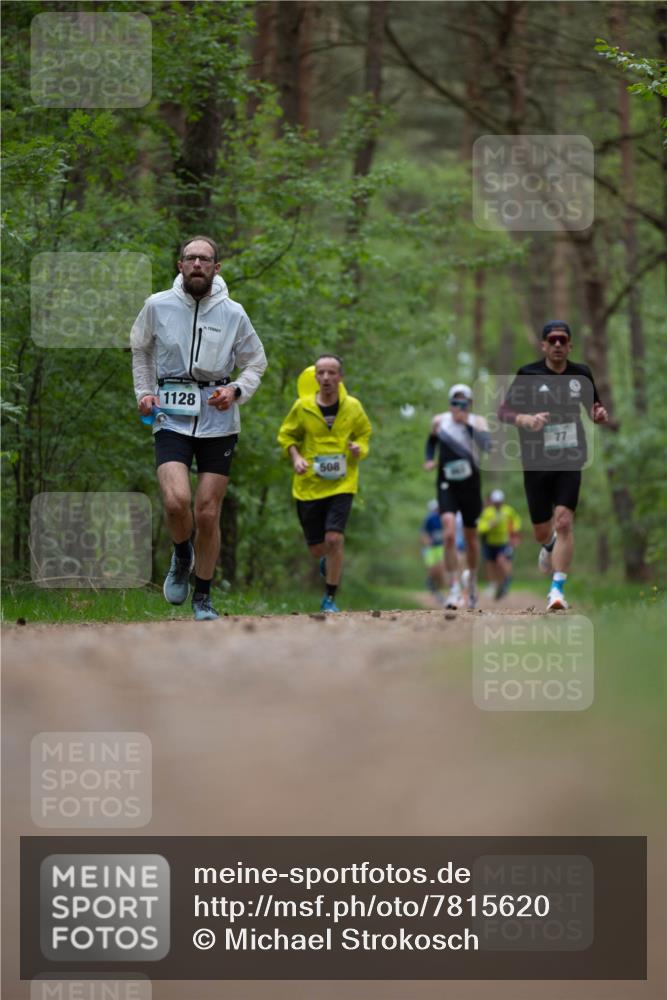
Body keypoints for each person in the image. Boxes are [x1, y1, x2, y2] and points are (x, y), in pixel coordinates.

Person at [131, 235, 267, 621]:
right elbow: (140, 348)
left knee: (207, 512)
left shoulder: (233, 313)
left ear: (216, 268)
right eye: (190, 258)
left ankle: (203, 596)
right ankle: (181, 553)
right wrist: (144, 392)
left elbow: (256, 362)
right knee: (176, 503)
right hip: (170, 413)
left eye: (204, 259)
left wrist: (236, 389)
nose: (196, 264)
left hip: (217, 418)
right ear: (179, 265)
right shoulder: (157, 305)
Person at [498, 320, 608, 611]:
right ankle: (548, 547)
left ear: (570, 345)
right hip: (535, 460)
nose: (558, 345)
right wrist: (525, 419)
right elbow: (504, 411)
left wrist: (598, 413)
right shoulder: (528, 374)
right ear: (543, 345)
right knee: (542, 531)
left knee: (564, 522)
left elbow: (593, 407)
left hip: (571, 455)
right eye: (552, 340)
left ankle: (557, 590)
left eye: (563, 340)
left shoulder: (581, 374)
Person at [277, 354, 371, 613]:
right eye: (322, 373)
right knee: (318, 548)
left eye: (332, 372)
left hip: (343, 483)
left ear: (340, 377)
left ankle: (330, 597)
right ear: (315, 377)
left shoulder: (352, 406)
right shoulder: (302, 406)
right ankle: (326, 561)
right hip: (309, 485)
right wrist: (295, 457)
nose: (327, 378)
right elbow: (286, 435)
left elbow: (364, 434)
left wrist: (358, 448)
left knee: (334, 539)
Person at [424, 384, 491, 610]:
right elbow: (431, 441)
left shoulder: (478, 421)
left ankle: (470, 583)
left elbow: (488, 447)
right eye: (455, 402)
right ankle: (453, 587)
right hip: (447, 483)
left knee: (471, 539)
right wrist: (429, 459)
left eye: (463, 403)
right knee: (449, 533)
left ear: (470, 404)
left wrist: (467, 425)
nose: (458, 407)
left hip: (471, 484)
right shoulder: (439, 421)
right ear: (449, 402)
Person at [477, 489, 522, 600]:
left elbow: (516, 521)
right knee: (490, 564)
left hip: (504, 542)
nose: (497, 504)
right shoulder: (487, 512)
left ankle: (505, 583)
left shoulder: (508, 511)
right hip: (490, 542)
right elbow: (480, 527)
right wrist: (489, 525)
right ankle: (493, 585)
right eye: (495, 502)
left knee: (502, 561)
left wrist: (515, 533)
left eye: (499, 502)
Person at [421, 499, 446, 602]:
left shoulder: (445, 518)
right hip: (431, 548)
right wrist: (427, 542)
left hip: (441, 547)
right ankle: (431, 583)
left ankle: (437, 588)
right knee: (432, 569)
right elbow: (423, 533)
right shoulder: (429, 519)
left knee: (441, 568)